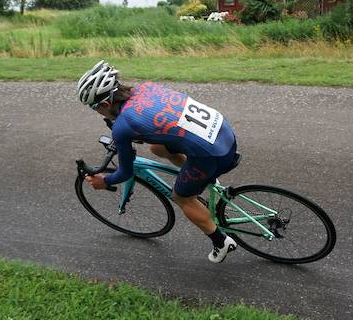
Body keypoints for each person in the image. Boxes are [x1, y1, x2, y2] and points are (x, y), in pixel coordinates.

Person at [77, 60, 239, 263]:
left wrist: (105, 181)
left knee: (181, 198)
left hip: (214, 156)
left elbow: (125, 173)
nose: (96, 112)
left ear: (105, 104)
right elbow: (160, 118)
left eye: (94, 108)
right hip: (224, 134)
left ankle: (221, 242)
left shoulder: (122, 126)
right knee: (157, 147)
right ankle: (206, 179)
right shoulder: (146, 87)